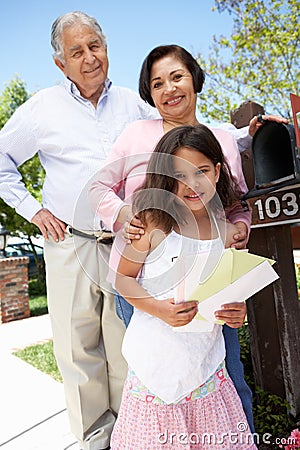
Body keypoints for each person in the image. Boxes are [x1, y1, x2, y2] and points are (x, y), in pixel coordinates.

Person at [0, 11, 161, 450]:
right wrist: (33, 210)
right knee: (77, 350)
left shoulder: (133, 103)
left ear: (106, 48)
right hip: (69, 243)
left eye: (95, 46)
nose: (90, 58)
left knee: (126, 344)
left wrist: (246, 131)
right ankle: (95, 440)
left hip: (127, 244)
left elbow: (180, 130)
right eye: (77, 51)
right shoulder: (41, 109)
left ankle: (130, 434)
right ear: (60, 64)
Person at [89, 44, 262, 433]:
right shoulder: (137, 135)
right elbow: (99, 187)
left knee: (226, 376)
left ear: (194, 78)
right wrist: (124, 216)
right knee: (158, 375)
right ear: (148, 93)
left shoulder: (221, 138)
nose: (169, 88)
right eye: (157, 83)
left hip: (209, 282)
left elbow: (236, 205)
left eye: (177, 76)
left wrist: (240, 229)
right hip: (148, 278)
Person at [109, 124, 257, 449]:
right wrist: (159, 309)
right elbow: (122, 279)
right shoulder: (151, 222)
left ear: (217, 172)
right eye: (179, 176)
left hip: (206, 368)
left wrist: (237, 311)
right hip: (156, 365)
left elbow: (230, 291)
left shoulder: (226, 230)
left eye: (201, 171)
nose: (191, 184)